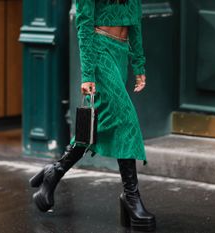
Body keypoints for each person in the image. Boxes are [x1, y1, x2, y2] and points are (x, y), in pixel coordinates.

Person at [29, 0, 156, 231]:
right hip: (100, 51)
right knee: (126, 120)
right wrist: (88, 73)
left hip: (121, 52)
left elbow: (135, 17)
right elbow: (84, 22)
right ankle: (131, 196)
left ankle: (54, 172)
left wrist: (139, 64)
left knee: (102, 124)